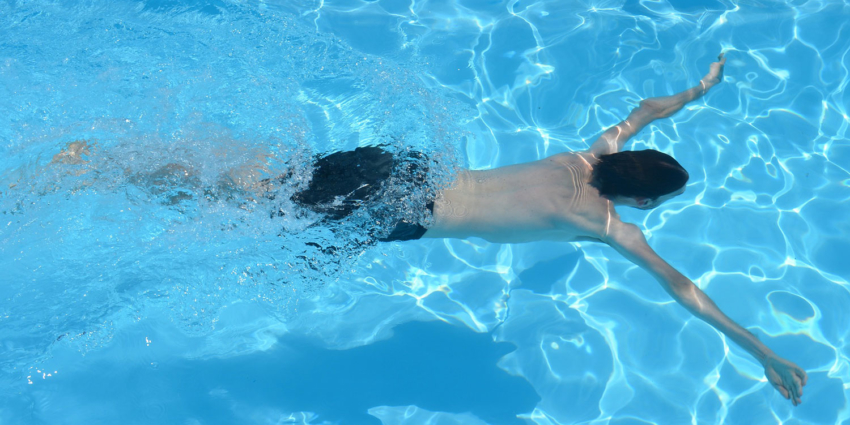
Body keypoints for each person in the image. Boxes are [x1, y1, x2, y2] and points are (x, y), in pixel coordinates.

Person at [292, 53, 808, 406]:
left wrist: (702, 86)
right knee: (259, 212)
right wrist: (762, 351)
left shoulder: (592, 153)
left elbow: (645, 111)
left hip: (404, 169)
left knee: (265, 184)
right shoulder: (608, 226)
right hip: (405, 213)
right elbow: (683, 289)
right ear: (643, 200)